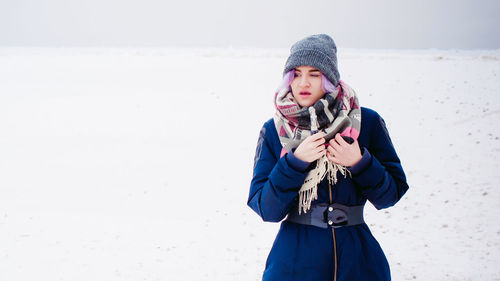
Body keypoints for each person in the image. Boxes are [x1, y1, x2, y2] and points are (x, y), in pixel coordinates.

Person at [247, 34, 409, 281]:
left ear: (330, 79)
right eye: (296, 73)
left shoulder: (367, 123)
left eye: (314, 73)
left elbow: (390, 196)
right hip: (293, 265)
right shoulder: (274, 130)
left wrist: (360, 163)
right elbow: (267, 209)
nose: (303, 82)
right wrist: (295, 163)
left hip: (360, 264)